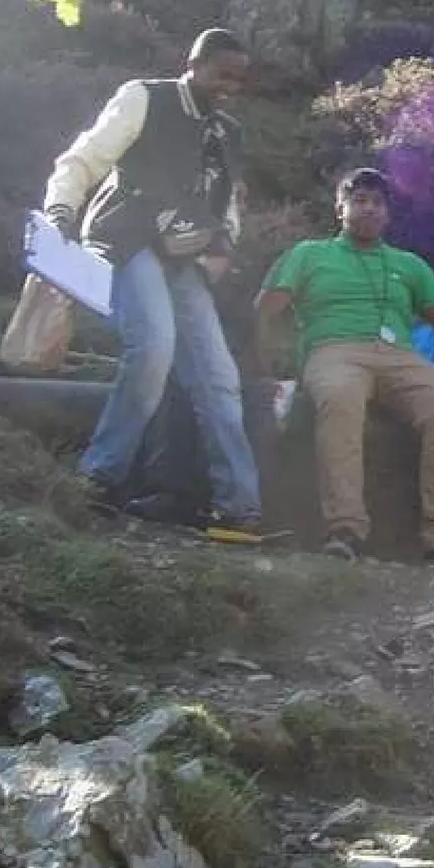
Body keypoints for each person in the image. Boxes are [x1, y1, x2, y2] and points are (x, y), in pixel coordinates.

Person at [42, 28, 263, 536]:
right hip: (128, 237)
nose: (230, 85)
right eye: (221, 73)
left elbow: (226, 200)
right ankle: (98, 478)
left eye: (239, 78)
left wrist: (224, 244)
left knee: (218, 373)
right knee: (155, 345)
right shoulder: (146, 98)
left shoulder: (229, 131)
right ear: (194, 63)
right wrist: (61, 209)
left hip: (186, 256)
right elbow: (86, 157)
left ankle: (239, 506)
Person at [254, 167, 434, 566]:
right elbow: (266, 310)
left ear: (388, 214)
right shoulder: (309, 253)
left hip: (400, 358)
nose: (370, 209)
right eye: (359, 201)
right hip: (333, 350)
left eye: (378, 203)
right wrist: (268, 370)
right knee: (341, 399)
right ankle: (345, 530)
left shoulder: (409, 263)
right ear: (340, 208)